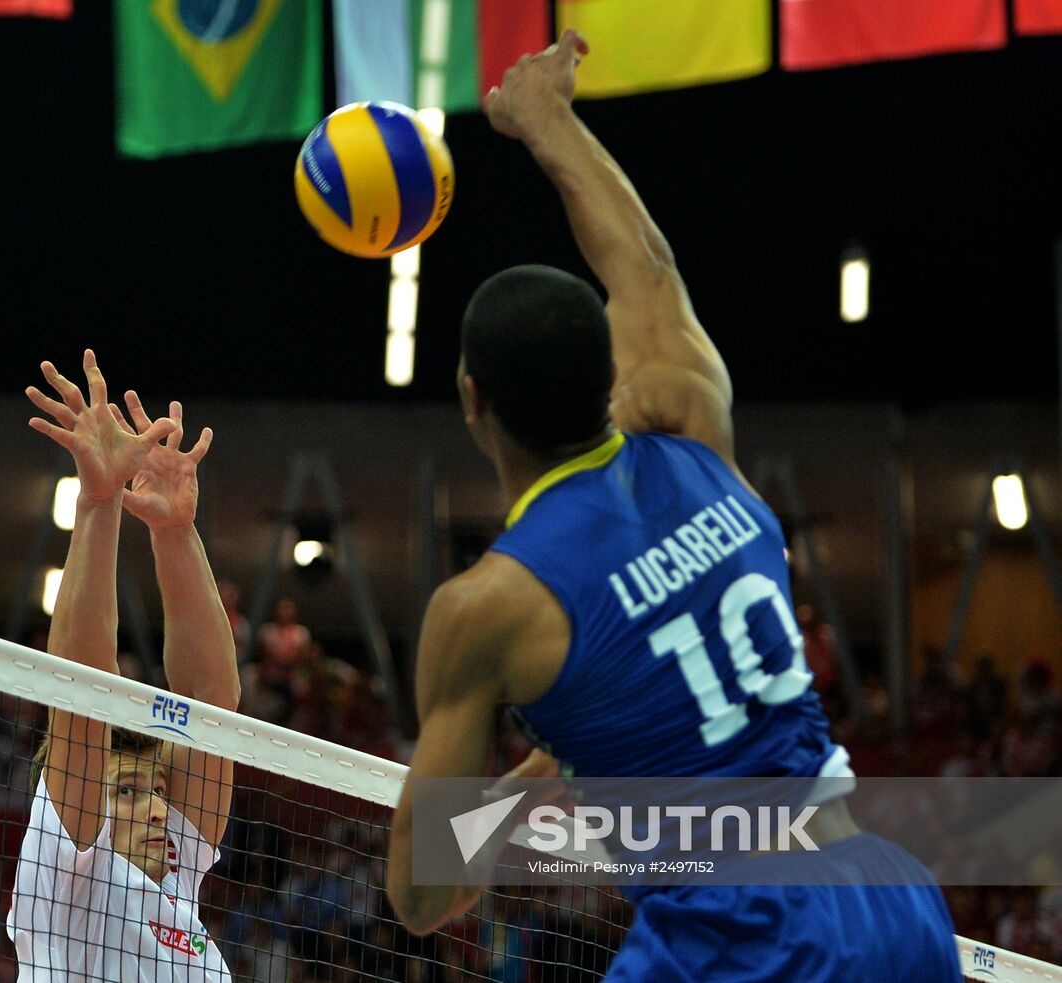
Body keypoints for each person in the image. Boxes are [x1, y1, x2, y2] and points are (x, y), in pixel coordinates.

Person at [385, 33, 959, 981]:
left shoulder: (485, 608)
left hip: (736, 943)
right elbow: (645, 265)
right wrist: (546, 118)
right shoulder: (691, 420)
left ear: (471, 399)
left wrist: (524, 801)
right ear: (611, 375)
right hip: (888, 900)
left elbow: (421, 895)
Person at [9, 351, 240, 981]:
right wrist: (99, 503)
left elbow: (212, 701)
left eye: (157, 791)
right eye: (130, 792)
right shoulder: (70, 875)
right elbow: (83, 696)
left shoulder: (180, 882)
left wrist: (175, 533)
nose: (157, 810)